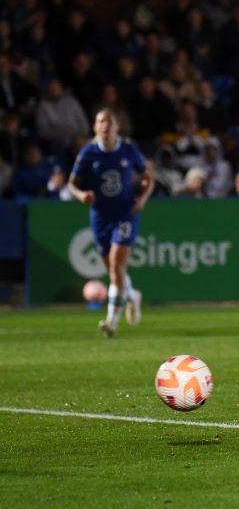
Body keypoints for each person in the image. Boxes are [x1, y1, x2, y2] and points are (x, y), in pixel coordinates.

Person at [67, 109, 154, 338]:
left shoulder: (128, 150)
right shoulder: (88, 153)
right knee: (114, 270)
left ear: (118, 126)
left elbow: (148, 177)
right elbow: (72, 183)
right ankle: (132, 296)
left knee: (116, 265)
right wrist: (80, 195)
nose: (105, 125)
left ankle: (111, 322)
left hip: (125, 213)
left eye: (109, 121)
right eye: (100, 121)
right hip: (100, 217)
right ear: (95, 127)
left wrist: (142, 198)